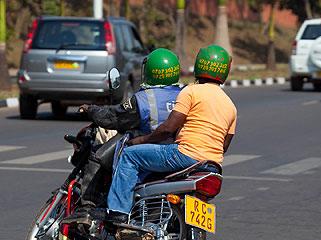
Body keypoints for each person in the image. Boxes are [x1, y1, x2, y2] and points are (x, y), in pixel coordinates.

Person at [105, 44, 237, 224]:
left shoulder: (190, 91)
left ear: (199, 65)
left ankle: (117, 212)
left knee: (129, 156)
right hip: (212, 166)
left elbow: (168, 128)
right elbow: (224, 146)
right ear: (225, 71)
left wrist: (140, 140)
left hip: (184, 156)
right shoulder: (230, 105)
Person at [63, 48, 183, 225]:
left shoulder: (143, 99)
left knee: (98, 157)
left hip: (149, 151)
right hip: (180, 152)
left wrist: (91, 109)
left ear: (150, 72)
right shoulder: (186, 94)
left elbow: (114, 118)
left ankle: (88, 208)